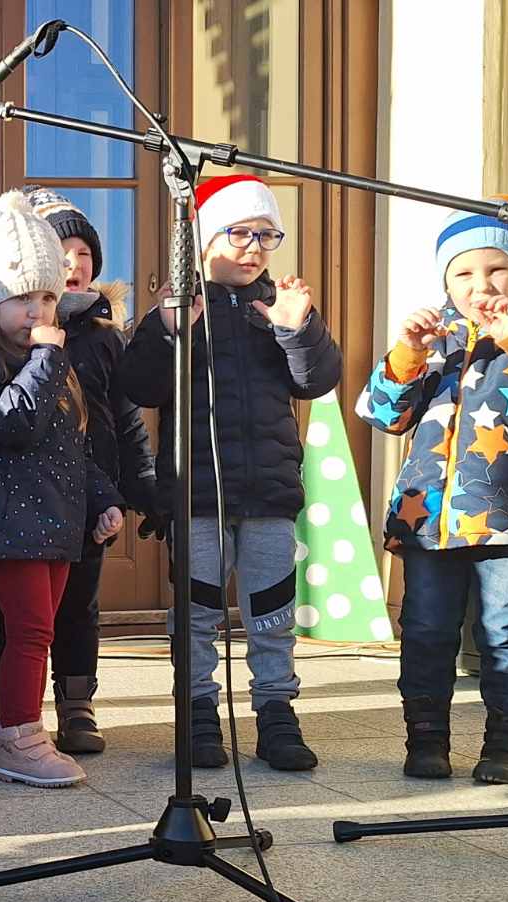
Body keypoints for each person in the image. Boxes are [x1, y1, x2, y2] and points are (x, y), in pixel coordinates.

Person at [118, 173, 342, 771]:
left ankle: (276, 715)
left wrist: (298, 327)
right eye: (238, 232)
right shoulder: (176, 310)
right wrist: (168, 329)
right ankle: (197, 715)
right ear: (203, 238)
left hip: (268, 493)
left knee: (272, 611)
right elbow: (136, 385)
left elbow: (316, 380)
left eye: (266, 235)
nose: (252, 247)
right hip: (196, 494)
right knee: (197, 613)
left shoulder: (281, 308)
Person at [357, 204, 508, 783]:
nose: (482, 285)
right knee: (427, 626)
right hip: (429, 516)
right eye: (464, 273)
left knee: (507, 626)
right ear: (445, 281)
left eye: (496, 270)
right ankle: (425, 737)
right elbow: (380, 413)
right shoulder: (439, 336)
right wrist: (406, 352)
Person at [0, 190, 124, 788]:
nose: (38, 312)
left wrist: (103, 499)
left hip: (55, 518)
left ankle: (21, 727)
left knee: (44, 626)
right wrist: (46, 360)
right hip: (5, 518)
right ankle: (18, 734)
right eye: (22, 298)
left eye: (47, 297)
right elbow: (8, 420)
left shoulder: (51, 357)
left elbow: (72, 439)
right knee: (31, 630)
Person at [0, 190, 158, 756]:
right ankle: (5, 705)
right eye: (63, 249)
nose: (76, 262)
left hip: (88, 491)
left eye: (84, 252)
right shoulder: (7, 336)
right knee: (15, 609)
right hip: (24, 500)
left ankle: (76, 702)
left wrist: (139, 487)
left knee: (79, 602)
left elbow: (125, 419)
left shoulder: (106, 339)